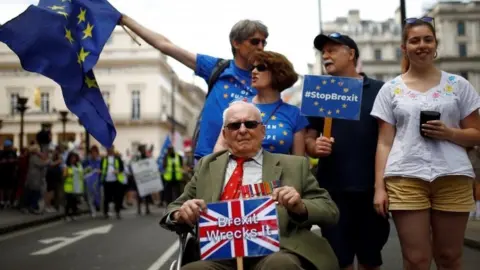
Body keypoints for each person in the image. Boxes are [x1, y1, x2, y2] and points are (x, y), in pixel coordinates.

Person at [160, 101, 340, 270]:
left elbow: (330, 211)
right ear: (224, 134)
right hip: (218, 256)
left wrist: (300, 206)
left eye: (250, 124)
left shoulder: (294, 166)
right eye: (234, 125)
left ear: (263, 131)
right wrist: (181, 213)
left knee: (280, 264)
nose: (243, 130)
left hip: (276, 251)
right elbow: (174, 208)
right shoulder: (207, 165)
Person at [371, 17, 480, 270]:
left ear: (435, 44)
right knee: (416, 259)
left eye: (427, 39)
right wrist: (379, 188)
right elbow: (384, 142)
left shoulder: (458, 85)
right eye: (414, 40)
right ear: (404, 47)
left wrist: (450, 133)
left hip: (453, 176)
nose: (422, 45)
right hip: (404, 177)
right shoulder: (390, 89)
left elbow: (477, 133)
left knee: (449, 257)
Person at [120, 16, 268, 160]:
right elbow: (165, 45)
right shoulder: (217, 68)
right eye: (255, 41)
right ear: (236, 43)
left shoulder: (266, 79)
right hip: (208, 159)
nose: (261, 47)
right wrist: (124, 19)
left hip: (247, 162)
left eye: (264, 42)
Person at [306, 32, 390, 270]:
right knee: (339, 261)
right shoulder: (319, 90)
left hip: (371, 191)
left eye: (332, 50)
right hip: (332, 193)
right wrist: (315, 147)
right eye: (323, 52)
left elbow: (389, 139)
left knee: (370, 260)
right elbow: (310, 136)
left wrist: (382, 187)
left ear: (351, 54)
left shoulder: (379, 90)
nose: (326, 55)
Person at [214, 51, 309, 155]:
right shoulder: (238, 105)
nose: (254, 71)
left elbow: (298, 160)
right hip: (241, 169)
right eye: (252, 68)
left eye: (261, 68)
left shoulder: (295, 114)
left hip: (279, 171)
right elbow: (222, 145)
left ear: (278, 73)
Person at [100, 146, 126, 219]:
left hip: (116, 180)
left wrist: (118, 171)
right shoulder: (104, 159)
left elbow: (122, 168)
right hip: (107, 180)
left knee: (117, 197)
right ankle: (106, 213)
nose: (110, 150)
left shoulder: (117, 158)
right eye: (109, 149)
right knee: (107, 198)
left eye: (111, 148)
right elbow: (101, 168)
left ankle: (117, 212)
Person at [63, 152, 84, 221]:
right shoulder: (66, 166)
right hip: (69, 187)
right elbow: (64, 175)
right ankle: (66, 215)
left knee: (74, 202)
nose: (73, 159)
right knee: (69, 202)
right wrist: (67, 175)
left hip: (77, 186)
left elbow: (81, 174)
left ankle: (73, 215)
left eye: (74, 158)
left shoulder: (78, 165)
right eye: (72, 158)